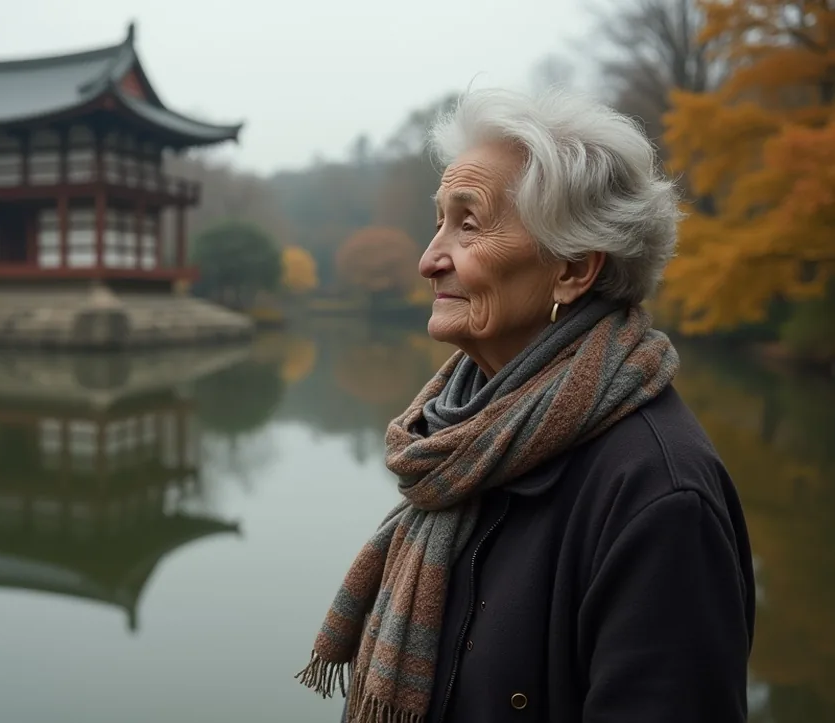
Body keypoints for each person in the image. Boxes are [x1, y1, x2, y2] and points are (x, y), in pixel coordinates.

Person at [296, 87, 755, 723]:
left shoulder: (659, 493)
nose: (429, 260)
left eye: (470, 224)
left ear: (573, 269)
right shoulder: (463, 441)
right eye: (438, 222)